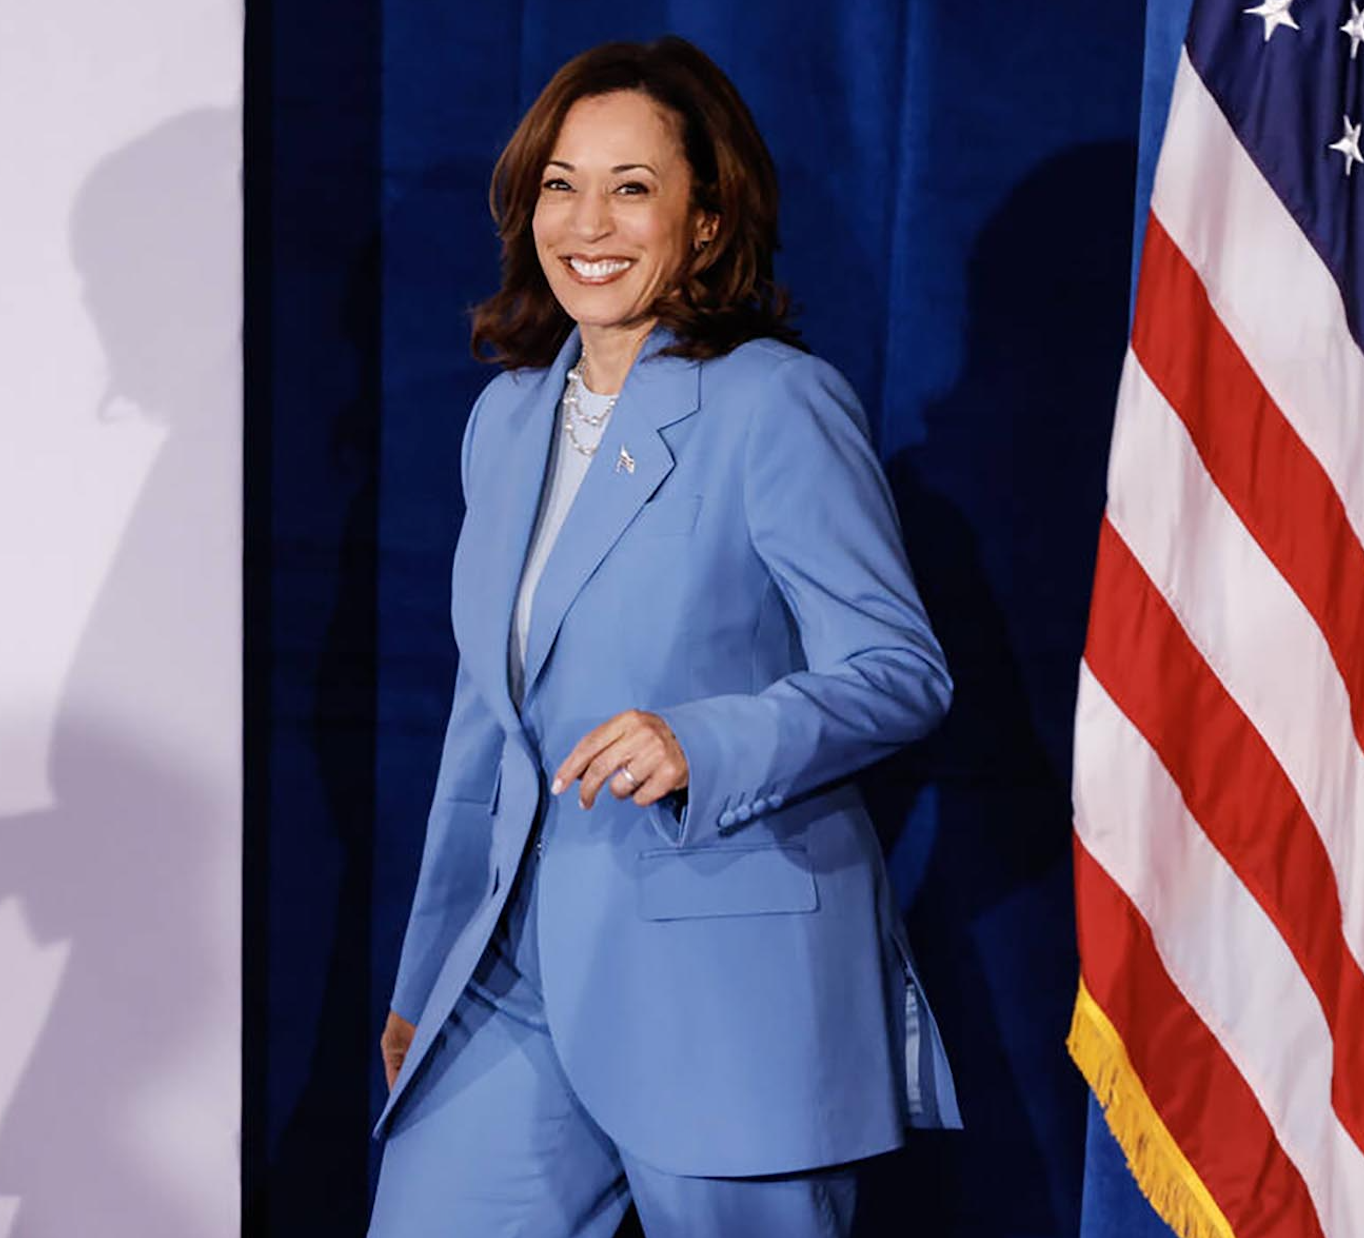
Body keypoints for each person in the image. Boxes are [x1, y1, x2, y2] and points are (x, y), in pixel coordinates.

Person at [366, 35, 959, 1238]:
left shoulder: (773, 404)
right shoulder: (505, 418)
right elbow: (484, 731)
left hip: (724, 989)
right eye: (559, 183)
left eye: (631, 187)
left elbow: (901, 671)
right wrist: (426, 973)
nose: (588, 219)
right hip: (513, 980)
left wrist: (707, 739)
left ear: (703, 220)